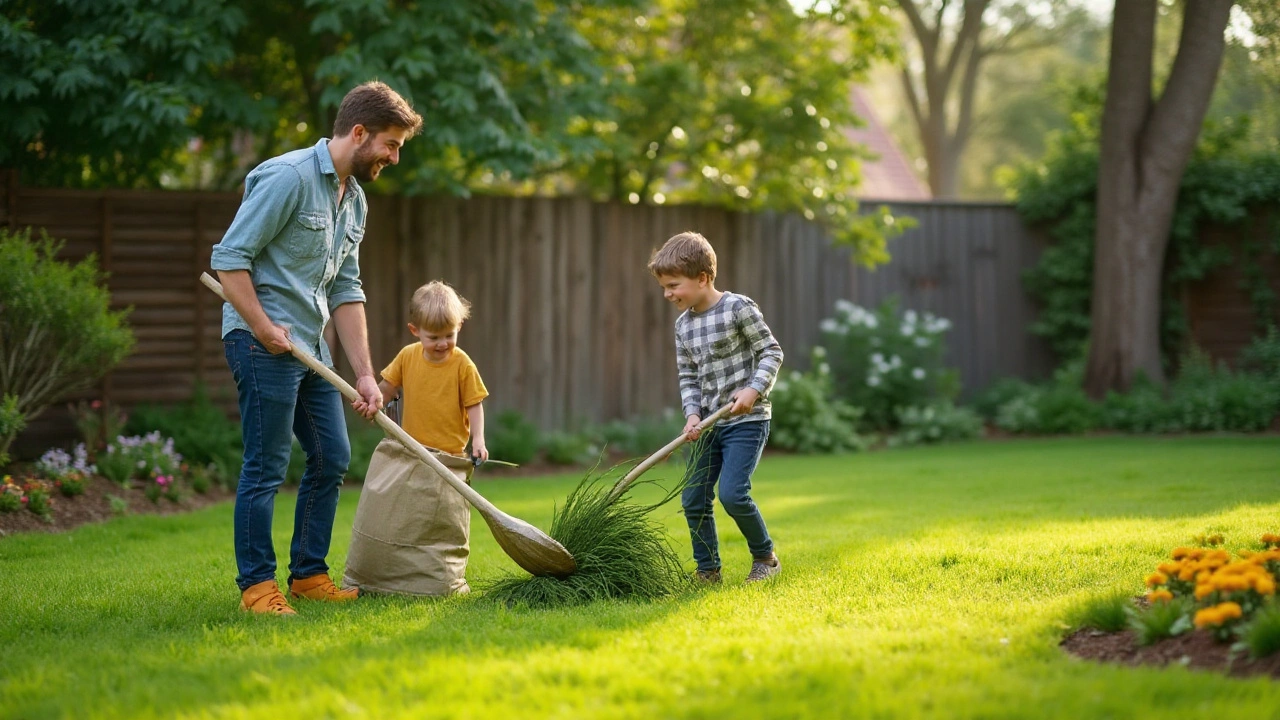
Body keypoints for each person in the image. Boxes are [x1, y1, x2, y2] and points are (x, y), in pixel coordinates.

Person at [211, 81, 423, 615]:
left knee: (332, 455)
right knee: (267, 465)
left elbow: (346, 290)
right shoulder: (287, 178)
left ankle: (308, 574)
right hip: (262, 344)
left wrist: (368, 375)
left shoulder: (353, 199)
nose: (395, 157)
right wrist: (261, 327)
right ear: (359, 132)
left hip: (311, 347)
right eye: (391, 145)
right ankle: (257, 587)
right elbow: (229, 259)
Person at [648, 231, 784, 584]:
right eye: (664, 286)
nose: (667, 294)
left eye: (674, 285)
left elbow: (772, 352)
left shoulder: (738, 308)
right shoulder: (683, 327)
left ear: (703, 278)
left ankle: (765, 559)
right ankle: (708, 570)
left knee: (733, 494)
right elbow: (688, 377)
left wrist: (753, 390)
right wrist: (692, 415)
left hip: (747, 421)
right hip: (709, 424)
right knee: (693, 498)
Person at [377, 280, 490, 464]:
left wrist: (478, 439)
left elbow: (474, 404)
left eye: (449, 335)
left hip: (450, 457)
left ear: (459, 326)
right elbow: (386, 389)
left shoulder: (463, 365)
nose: (443, 343)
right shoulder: (407, 357)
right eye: (434, 337)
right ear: (415, 330)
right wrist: (371, 401)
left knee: (446, 495)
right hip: (414, 452)